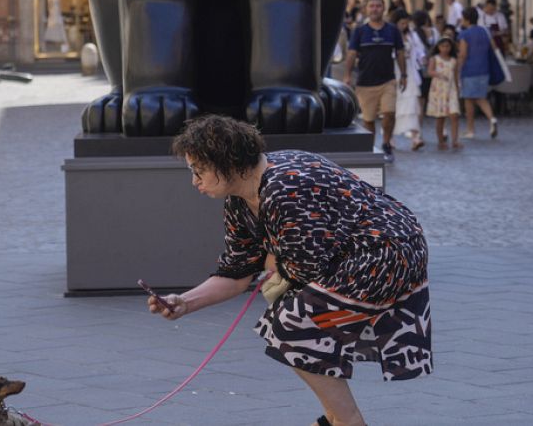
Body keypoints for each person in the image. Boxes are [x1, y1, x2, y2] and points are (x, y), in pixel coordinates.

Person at [153, 116, 432, 426]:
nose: (195, 181)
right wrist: (184, 302)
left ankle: (345, 420)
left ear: (228, 163)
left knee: (294, 322)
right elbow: (237, 271)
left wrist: (273, 261)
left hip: (389, 250)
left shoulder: (285, 186)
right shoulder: (239, 200)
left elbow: (306, 267)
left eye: (199, 171)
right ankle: (338, 419)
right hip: (359, 253)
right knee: (295, 322)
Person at [345, 0, 407, 163]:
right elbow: (351, 54)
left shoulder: (392, 30)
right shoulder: (359, 30)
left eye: (378, 6)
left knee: (389, 114)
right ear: (366, 9)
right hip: (365, 82)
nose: (374, 9)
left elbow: (400, 53)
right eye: (371, 6)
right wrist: (347, 75)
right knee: (368, 120)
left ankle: (386, 143)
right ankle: (371, 148)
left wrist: (404, 74)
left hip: (388, 80)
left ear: (383, 8)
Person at [457, 8, 499, 139]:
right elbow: (494, 48)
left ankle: (471, 130)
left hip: (470, 70)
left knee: (469, 100)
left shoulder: (464, 34)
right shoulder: (485, 31)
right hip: (484, 69)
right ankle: (492, 119)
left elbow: (463, 54)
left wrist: (458, 69)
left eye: (462, 18)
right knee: (481, 97)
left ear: (467, 19)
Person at [391, 9, 426, 151]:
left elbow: (419, 50)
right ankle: (390, 138)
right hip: (394, 72)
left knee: (413, 104)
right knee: (393, 106)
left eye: (406, 23)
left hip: (409, 72)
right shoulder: (391, 34)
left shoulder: (411, 35)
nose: (404, 26)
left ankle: (415, 137)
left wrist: (422, 58)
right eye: (402, 23)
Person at [426, 37, 461, 151]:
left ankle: (455, 140)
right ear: (438, 47)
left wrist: (458, 88)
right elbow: (429, 71)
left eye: (447, 46)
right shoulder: (435, 59)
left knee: (454, 115)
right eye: (443, 46)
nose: (445, 49)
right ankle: (441, 141)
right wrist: (439, 74)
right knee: (440, 117)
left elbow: (456, 75)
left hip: (451, 90)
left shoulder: (454, 60)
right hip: (439, 90)